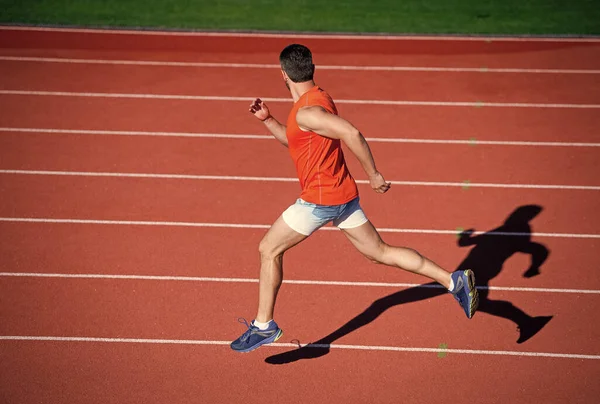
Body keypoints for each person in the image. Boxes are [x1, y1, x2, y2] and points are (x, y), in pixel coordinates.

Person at [230, 44, 478, 353]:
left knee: (268, 249)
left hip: (320, 200)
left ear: (283, 75)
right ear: (310, 68)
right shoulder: (316, 101)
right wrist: (268, 120)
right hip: (342, 196)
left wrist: (373, 174)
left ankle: (264, 325)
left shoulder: (308, 111)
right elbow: (296, 140)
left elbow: (352, 133)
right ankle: (453, 281)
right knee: (380, 252)